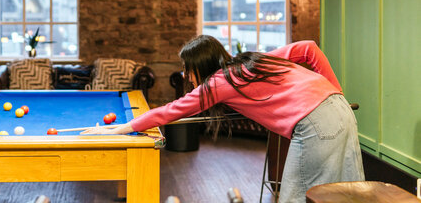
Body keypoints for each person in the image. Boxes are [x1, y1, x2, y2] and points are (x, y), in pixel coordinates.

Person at [82, 35, 365, 202]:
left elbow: (171, 110)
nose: (185, 74)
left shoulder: (219, 82)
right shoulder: (249, 61)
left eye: (186, 67)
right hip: (339, 112)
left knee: (295, 199)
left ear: (200, 65)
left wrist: (123, 129)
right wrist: (335, 93)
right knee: (345, 195)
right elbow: (309, 49)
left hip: (315, 124)